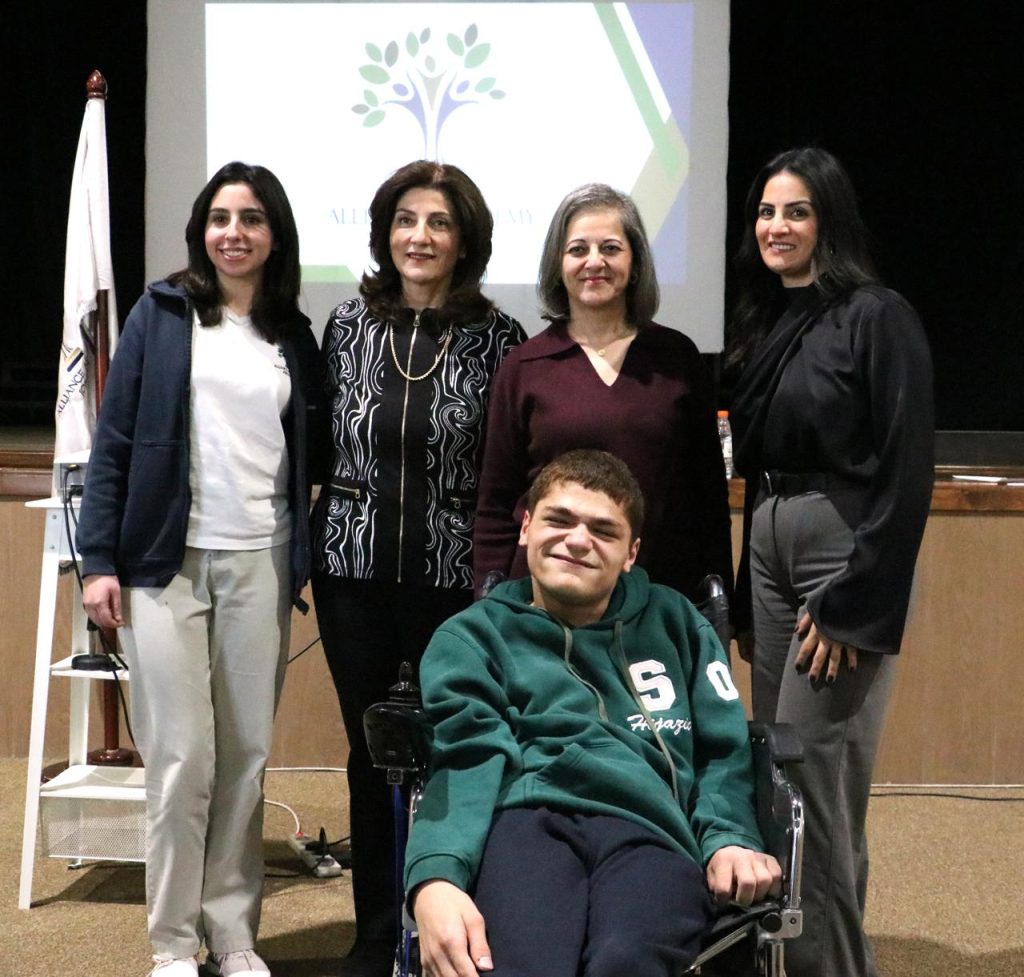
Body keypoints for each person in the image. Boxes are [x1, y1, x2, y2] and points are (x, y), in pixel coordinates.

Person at [76, 162, 325, 977]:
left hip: (260, 559)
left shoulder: (293, 332)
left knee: (247, 755)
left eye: (252, 218)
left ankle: (232, 933)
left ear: (274, 234)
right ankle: (174, 942)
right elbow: (114, 442)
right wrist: (99, 561)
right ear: (201, 229)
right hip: (161, 564)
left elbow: (311, 457)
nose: (234, 232)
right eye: (220, 217)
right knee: (183, 755)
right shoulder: (162, 311)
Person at [406, 449, 781, 977]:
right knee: (524, 966)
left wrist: (730, 837)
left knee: (626, 963)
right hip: (524, 821)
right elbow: (465, 759)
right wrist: (437, 879)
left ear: (632, 553)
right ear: (526, 528)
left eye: (603, 531)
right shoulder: (470, 638)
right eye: (559, 520)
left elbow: (722, 748)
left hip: (652, 828)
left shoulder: (676, 623)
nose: (578, 540)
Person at [311, 160, 525, 976]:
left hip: (454, 581)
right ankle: (374, 931)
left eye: (438, 222)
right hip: (353, 572)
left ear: (464, 238)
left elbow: (507, 472)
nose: (420, 236)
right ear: (384, 232)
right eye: (406, 220)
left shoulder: (499, 340)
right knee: (371, 751)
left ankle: (450, 925)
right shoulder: (347, 326)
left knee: (454, 747)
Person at [727, 146, 934, 977]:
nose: (778, 226)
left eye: (798, 211)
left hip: (841, 551)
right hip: (771, 536)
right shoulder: (765, 319)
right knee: (782, 769)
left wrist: (856, 602)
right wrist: (749, 585)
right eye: (768, 211)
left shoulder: (879, 315)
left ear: (830, 221)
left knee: (813, 779)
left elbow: (906, 466)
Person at [473, 183, 733, 606]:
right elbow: (497, 504)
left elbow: (708, 495)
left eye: (611, 248)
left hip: (661, 598)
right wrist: (490, 603)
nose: (594, 262)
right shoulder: (523, 366)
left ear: (635, 263)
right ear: (558, 264)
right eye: (578, 250)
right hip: (544, 602)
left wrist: (724, 599)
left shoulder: (677, 358)